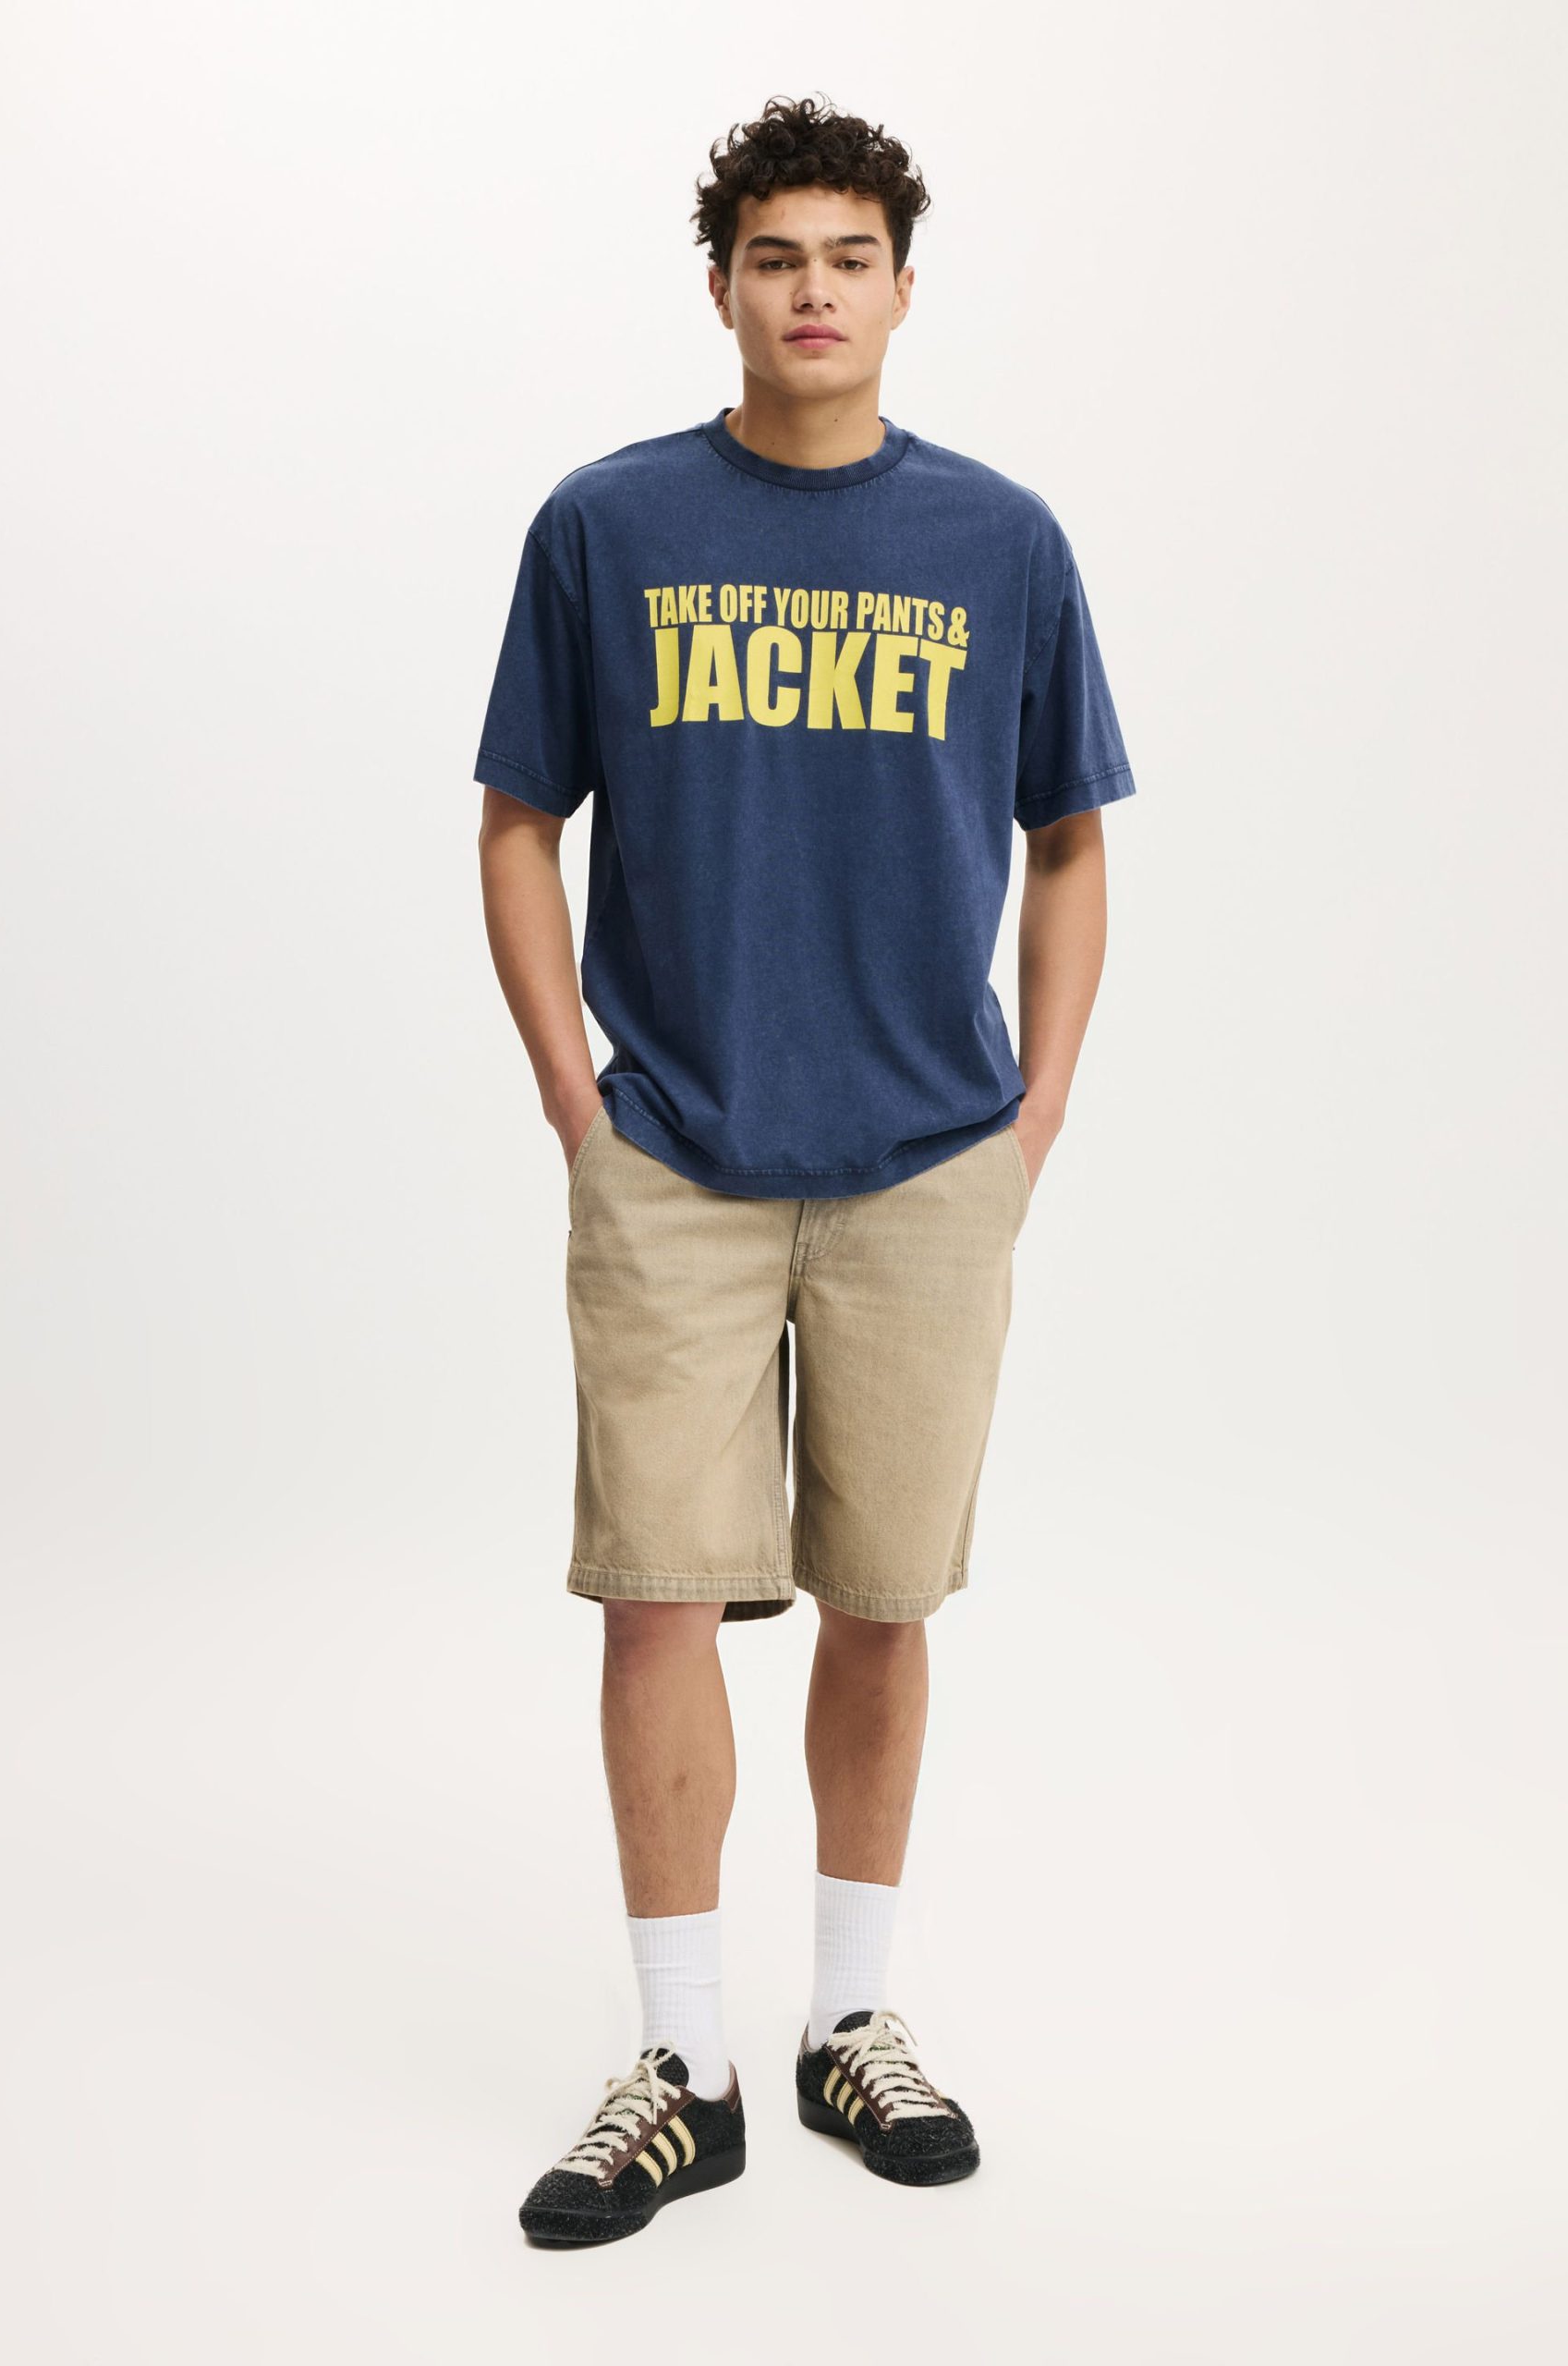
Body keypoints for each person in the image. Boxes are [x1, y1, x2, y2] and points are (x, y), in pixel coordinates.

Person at [475, 93, 1137, 2248]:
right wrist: (575, 1099)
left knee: (881, 1591)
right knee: (657, 1589)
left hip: (925, 1154)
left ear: (902, 289)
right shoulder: (608, 523)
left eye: (850, 256)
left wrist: (1034, 1113)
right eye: (776, 257)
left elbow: (1067, 838)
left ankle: (851, 2014)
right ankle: (683, 2061)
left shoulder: (1000, 541)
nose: (813, 291)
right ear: (721, 289)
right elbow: (515, 819)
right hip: (670, 1144)